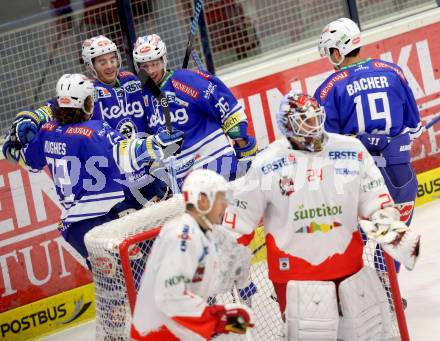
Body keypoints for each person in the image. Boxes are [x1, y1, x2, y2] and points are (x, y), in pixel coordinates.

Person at [222, 92, 420, 340]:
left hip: (348, 269)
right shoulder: (266, 163)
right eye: (304, 122)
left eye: (316, 119)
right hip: (294, 277)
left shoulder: (350, 149)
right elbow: (241, 217)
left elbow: (373, 200)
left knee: (366, 334)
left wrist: (393, 233)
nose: (313, 128)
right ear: (286, 126)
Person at [2, 73, 183, 261]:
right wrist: (157, 144)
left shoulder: (48, 132)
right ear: (85, 104)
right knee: (137, 276)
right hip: (99, 222)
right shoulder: (93, 131)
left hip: (74, 228)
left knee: (114, 284)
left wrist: (12, 143)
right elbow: (124, 153)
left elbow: (23, 160)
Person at [10, 34, 177, 203]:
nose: (110, 66)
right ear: (91, 66)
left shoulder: (131, 79)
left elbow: (161, 85)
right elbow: (60, 104)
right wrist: (33, 117)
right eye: (102, 62)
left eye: (112, 59)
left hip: (148, 173)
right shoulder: (87, 90)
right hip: (118, 184)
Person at [314, 17, 422, 240]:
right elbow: (415, 128)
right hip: (400, 176)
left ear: (338, 52)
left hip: (359, 181)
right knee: (393, 245)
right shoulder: (394, 72)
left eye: (330, 53)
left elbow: (324, 146)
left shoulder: (329, 89)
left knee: (349, 250)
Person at [131, 169, 254, 340]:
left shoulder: (201, 233)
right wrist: (217, 318)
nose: (225, 205)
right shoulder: (182, 235)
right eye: (220, 199)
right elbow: (170, 294)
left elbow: (192, 286)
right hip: (160, 335)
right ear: (203, 201)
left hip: (177, 331)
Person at [132, 34, 258, 188]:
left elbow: (226, 108)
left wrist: (242, 142)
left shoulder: (187, 81)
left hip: (216, 163)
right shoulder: (141, 95)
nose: (150, 71)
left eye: (155, 63)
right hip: (181, 178)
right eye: (144, 66)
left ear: (164, 60)